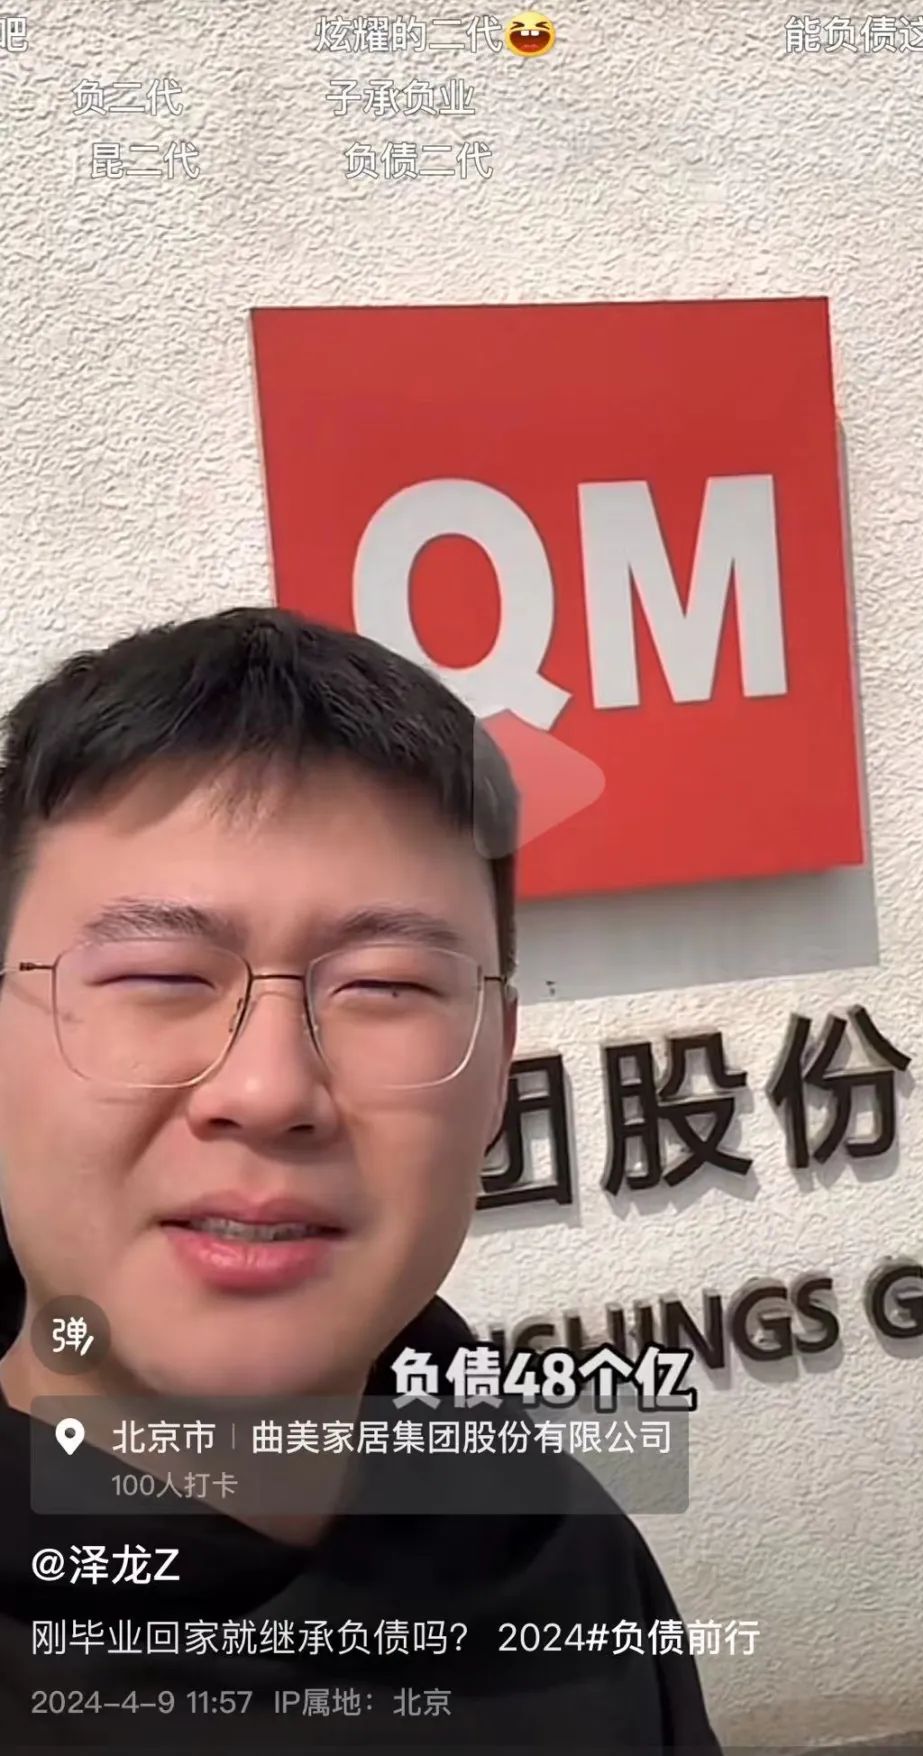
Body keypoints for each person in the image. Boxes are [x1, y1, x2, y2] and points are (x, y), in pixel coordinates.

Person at [0, 607, 721, 1752]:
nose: (269, 1087)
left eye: (387, 986)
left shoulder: (567, 1559)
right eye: (157, 975)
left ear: (500, 1068)